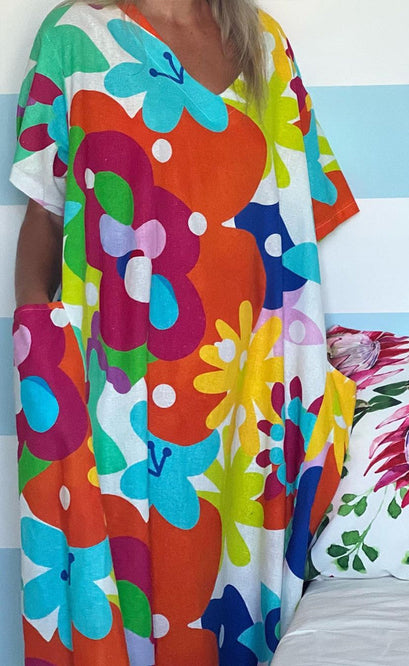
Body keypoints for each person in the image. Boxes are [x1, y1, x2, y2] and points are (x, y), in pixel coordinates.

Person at [11, 0, 359, 663]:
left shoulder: (265, 44)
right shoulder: (74, 37)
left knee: (236, 600)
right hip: (117, 389)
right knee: (123, 584)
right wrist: (38, 343)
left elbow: (296, 219)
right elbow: (46, 213)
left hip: (250, 395)